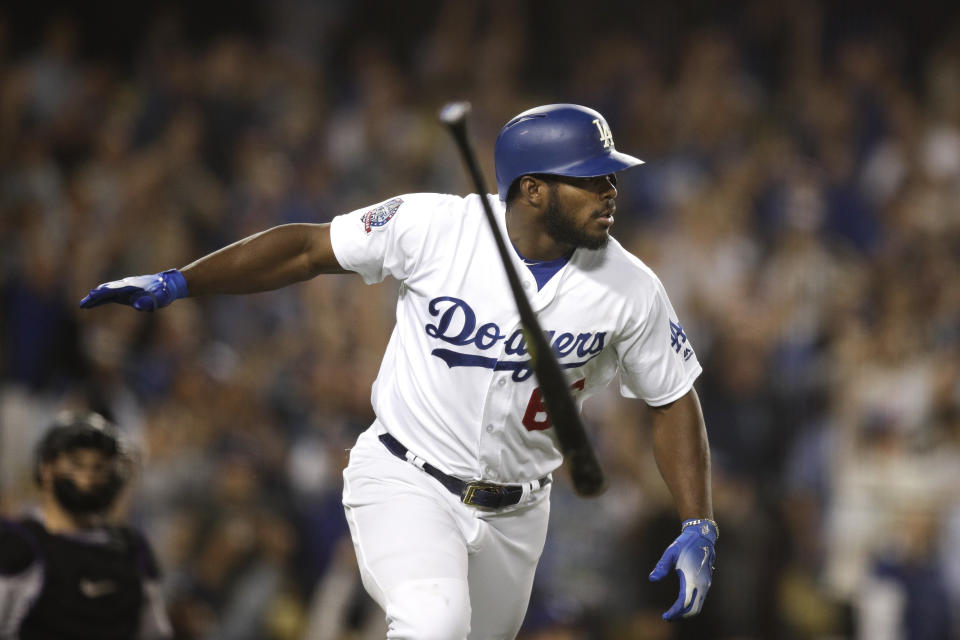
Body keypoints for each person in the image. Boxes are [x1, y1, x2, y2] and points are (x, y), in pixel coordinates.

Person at [80, 103, 717, 638]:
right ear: (533, 189)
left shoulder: (630, 287)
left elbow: (672, 397)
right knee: (433, 624)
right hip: (408, 478)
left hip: (519, 514)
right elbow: (306, 248)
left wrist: (697, 521)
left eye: (611, 178)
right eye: (592, 179)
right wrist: (178, 281)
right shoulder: (435, 227)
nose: (611, 192)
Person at [0, 411, 172, 640]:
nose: (88, 477)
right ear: (47, 470)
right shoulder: (18, 545)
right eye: (77, 464)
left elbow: (154, 633)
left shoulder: (133, 549)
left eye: (99, 467)